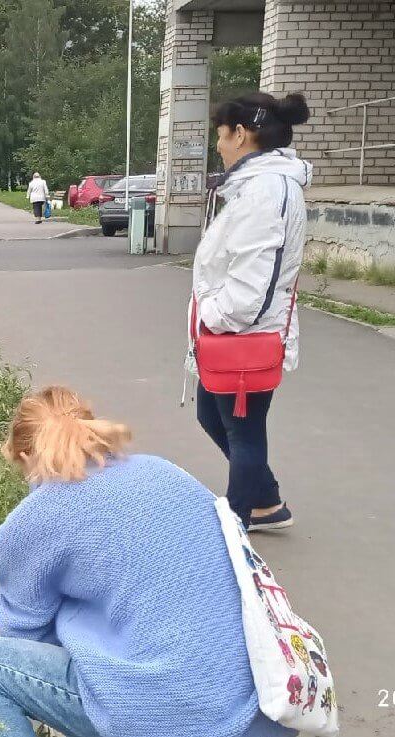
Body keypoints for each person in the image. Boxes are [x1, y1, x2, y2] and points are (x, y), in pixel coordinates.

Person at [0, 386, 293, 737]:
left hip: (181, 719)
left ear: (23, 455)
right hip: (271, 704)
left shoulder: (35, 518)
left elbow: (25, 635)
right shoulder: (163, 470)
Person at [191, 92, 311, 532]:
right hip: (235, 331)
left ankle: (237, 524)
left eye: (221, 136)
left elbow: (255, 282)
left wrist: (213, 316)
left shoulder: (267, 190)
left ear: (241, 134)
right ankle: (267, 502)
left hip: (245, 334)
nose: (218, 146)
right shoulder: (257, 185)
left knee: (244, 433)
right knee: (211, 414)